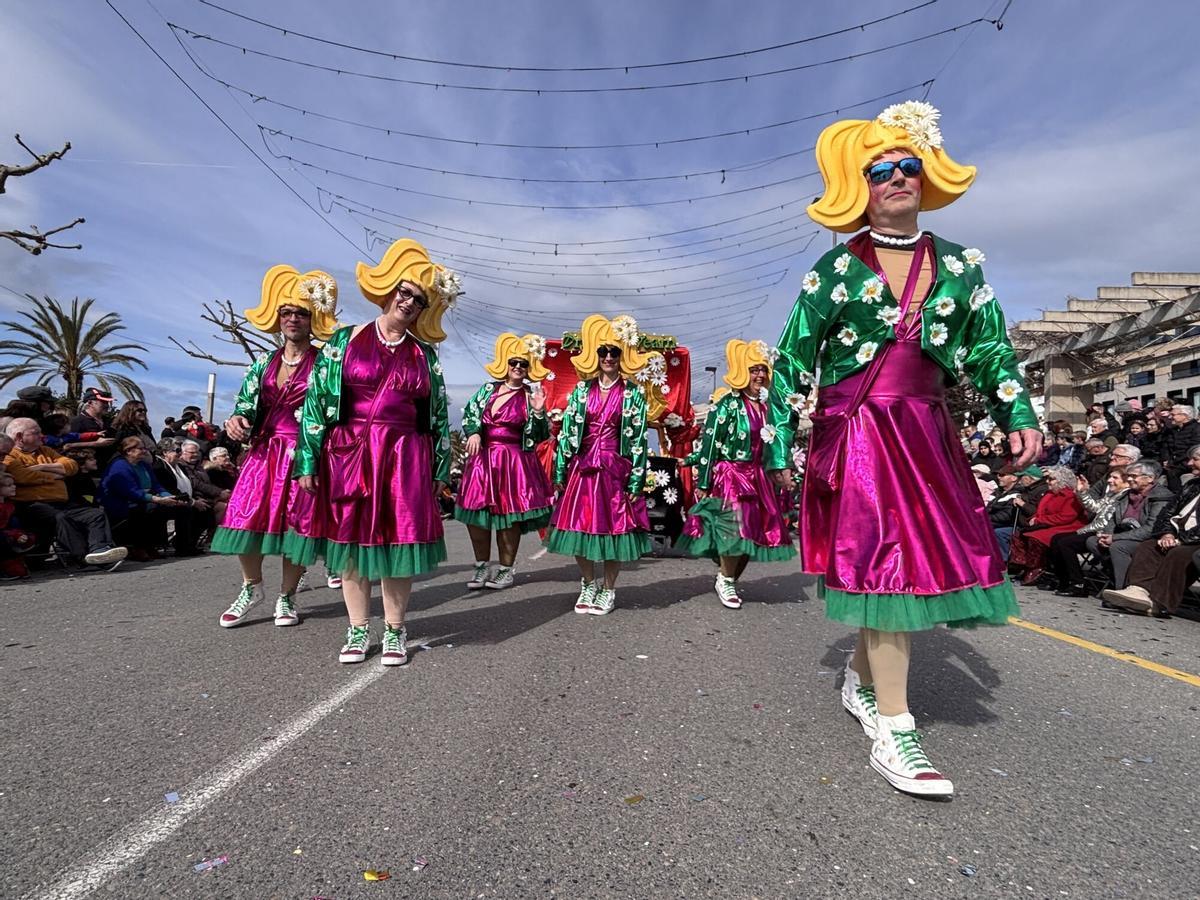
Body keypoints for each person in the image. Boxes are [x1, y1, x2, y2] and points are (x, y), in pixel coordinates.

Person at [764, 101, 1041, 797]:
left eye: (907, 166)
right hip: (856, 431)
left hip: (926, 429)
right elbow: (793, 357)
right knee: (887, 566)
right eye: (880, 169)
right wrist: (777, 447)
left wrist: (1016, 407)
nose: (896, 178)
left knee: (904, 566)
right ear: (860, 185)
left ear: (926, 173)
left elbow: (989, 348)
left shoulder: (958, 265)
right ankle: (895, 724)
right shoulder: (833, 270)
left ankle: (861, 683)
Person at [288, 238, 457, 666]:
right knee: (353, 543)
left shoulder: (425, 357)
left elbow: (436, 415)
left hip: (405, 456)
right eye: (404, 292)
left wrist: (439, 468)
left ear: (425, 310)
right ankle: (359, 628)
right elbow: (314, 405)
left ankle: (396, 630)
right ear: (388, 291)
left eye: (419, 299)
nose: (409, 301)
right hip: (350, 453)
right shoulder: (343, 341)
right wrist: (307, 458)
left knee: (400, 542)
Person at [211, 265, 341, 628]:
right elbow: (245, 405)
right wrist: (237, 420)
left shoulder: (327, 363)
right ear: (277, 317)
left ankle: (287, 596)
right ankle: (251, 587)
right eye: (287, 312)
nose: (293, 319)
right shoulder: (263, 363)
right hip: (264, 453)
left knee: (296, 526)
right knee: (243, 516)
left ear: (313, 319)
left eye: (301, 312)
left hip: (305, 454)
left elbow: (334, 410)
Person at [546, 313, 653, 616]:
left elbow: (639, 441)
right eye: (603, 351)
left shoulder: (633, 393)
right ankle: (587, 582)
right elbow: (568, 432)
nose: (608, 357)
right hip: (583, 469)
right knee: (578, 528)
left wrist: (636, 480)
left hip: (614, 469)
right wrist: (559, 470)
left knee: (614, 532)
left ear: (623, 355)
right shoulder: (581, 390)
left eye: (614, 351)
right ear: (595, 354)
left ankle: (608, 589)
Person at [677, 338, 796, 607]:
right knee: (736, 530)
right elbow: (709, 445)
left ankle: (727, 575)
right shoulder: (727, 406)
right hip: (732, 474)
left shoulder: (771, 408)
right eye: (754, 369)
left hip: (760, 477)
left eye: (763, 370)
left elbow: (779, 443)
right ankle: (726, 580)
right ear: (743, 370)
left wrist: (783, 469)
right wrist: (704, 481)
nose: (760, 375)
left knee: (754, 534)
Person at [454, 332, 553, 590]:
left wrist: (540, 411)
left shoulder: (531, 396)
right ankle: (481, 567)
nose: (518, 367)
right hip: (483, 460)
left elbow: (541, 435)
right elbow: (471, 413)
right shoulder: (489, 390)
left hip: (513, 462)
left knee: (509, 518)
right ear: (505, 365)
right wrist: (474, 431)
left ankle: (506, 570)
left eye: (523, 364)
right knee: (476, 515)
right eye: (514, 363)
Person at [3, 417, 127, 566]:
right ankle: (82, 558)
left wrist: (41, 468)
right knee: (60, 518)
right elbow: (22, 476)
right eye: (36, 433)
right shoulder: (10, 455)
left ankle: (99, 549)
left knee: (95, 514)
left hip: (61, 502)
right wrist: (56, 475)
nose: (42, 436)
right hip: (32, 504)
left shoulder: (46, 450)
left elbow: (72, 465)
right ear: (19, 437)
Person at [1102, 446, 1200, 617]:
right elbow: (1168, 513)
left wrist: (1181, 540)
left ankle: (1160, 603)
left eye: (1195, 459)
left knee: (1179, 554)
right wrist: (1167, 533)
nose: (1190, 463)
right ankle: (1137, 590)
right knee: (1149, 547)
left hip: (1193, 540)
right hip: (1178, 534)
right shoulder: (1191, 485)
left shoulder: (1160, 493)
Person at [99, 436, 185, 561]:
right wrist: (157, 499)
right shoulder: (119, 466)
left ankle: (179, 545)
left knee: (180, 508)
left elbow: (156, 485)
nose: (145, 451)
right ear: (129, 450)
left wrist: (169, 497)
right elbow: (130, 491)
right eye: (141, 448)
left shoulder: (143, 465)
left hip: (142, 499)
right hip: (121, 502)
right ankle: (138, 547)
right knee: (151, 508)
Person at [1008, 465, 1088, 586]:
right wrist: (1036, 518)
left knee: (1036, 537)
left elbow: (1065, 517)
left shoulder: (1070, 496)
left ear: (1062, 481)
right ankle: (1024, 566)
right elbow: (1040, 512)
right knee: (1019, 535)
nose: (1047, 481)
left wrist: (1040, 520)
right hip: (1049, 524)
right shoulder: (1049, 494)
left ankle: (1036, 568)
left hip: (1068, 526)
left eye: (1051, 479)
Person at [1161, 404, 1200, 492]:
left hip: (1188, 461)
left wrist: (1172, 462)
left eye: (1173, 415)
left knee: (1173, 473)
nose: (1170, 417)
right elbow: (1165, 447)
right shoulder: (1172, 430)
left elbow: (1192, 449)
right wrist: (1165, 459)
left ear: (1184, 416)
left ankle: (1176, 495)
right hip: (1172, 461)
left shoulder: (1196, 428)